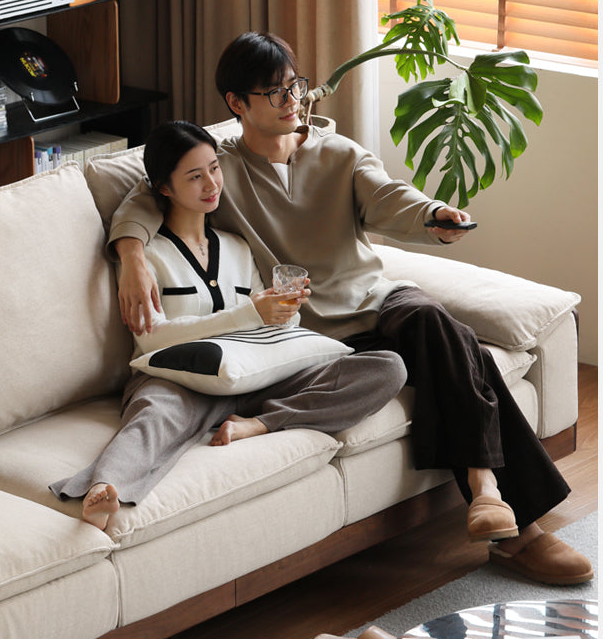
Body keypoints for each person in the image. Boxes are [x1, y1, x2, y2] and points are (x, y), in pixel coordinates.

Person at [107, 33, 593, 585]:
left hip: (376, 300)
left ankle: (487, 491)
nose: (293, 99)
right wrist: (131, 253)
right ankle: (519, 534)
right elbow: (145, 194)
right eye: (274, 92)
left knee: (436, 325)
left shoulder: (338, 153)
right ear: (236, 103)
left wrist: (434, 214)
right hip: (312, 333)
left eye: (296, 85)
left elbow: (390, 196)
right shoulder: (220, 170)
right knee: (466, 354)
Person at [50, 120, 407, 530]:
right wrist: (248, 314)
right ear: (164, 188)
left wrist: (285, 313)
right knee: (154, 415)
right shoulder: (146, 259)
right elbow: (152, 340)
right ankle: (105, 488)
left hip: (255, 377)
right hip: (178, 381)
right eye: (195, 176)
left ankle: (260, 423)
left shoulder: (238, 246)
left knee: (386, 367)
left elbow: (265, 326)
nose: (212, 183)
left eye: (214, 169)